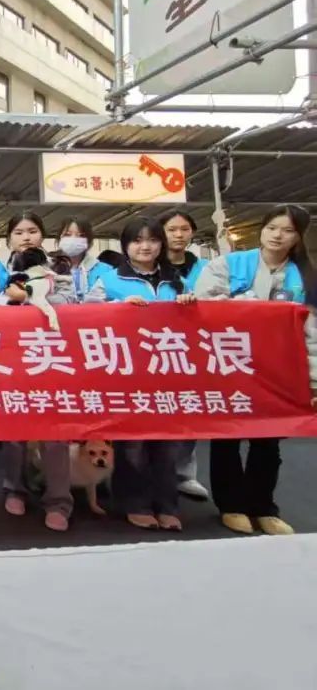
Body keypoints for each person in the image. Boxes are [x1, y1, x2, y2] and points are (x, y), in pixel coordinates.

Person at [195, 205, 317, 536]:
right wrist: (248, 306)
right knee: (227, 438)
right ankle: (231, 505)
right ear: (261, 229)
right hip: (229, 365)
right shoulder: (228, 264)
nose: (278, 235)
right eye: (272, 227)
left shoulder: (306, 276)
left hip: (278, 370)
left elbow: (313, 332)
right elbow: (203, 305)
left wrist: (313, 379)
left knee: (268, 441)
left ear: (298, 237)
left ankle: (263, 506)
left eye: (288, 231)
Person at [86, 217, 193, 531]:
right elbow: (85, 315)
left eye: (152, 240)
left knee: (168, 445)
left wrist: (189, 303)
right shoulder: (109, 280)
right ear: (125, 246)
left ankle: (167, 505)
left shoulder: (176, 281)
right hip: (126, 373)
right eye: (137, 240)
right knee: (132, 445)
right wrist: (116, 307)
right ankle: (135, 503)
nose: (145, 247)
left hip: (169, 373)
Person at [0, 211, 75, 532]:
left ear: (42, 236)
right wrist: (14, 302)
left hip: (51, 356)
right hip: (10, 355)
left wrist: (27, 297)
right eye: (19, 232)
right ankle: (14, 488)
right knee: (15, 430)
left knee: (55, 434)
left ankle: (59, 501)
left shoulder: (58, 266)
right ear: (9, 238)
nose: (26, 237)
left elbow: (69, 299)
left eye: (32, 231)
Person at [160, 210, 211, 501]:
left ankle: (184, 473)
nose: (178, 235)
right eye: (171, 229)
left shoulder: (206, 267)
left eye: (184, 229)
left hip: (193, 346)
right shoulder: (150, 266)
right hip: (153, 346)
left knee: (188, 408)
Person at [57, 216, 112, 303]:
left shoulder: (106, 270)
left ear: (89, 241)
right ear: (59, 238)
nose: (73, 239)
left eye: (81, 235)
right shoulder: (48, 268)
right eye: (67, 235)